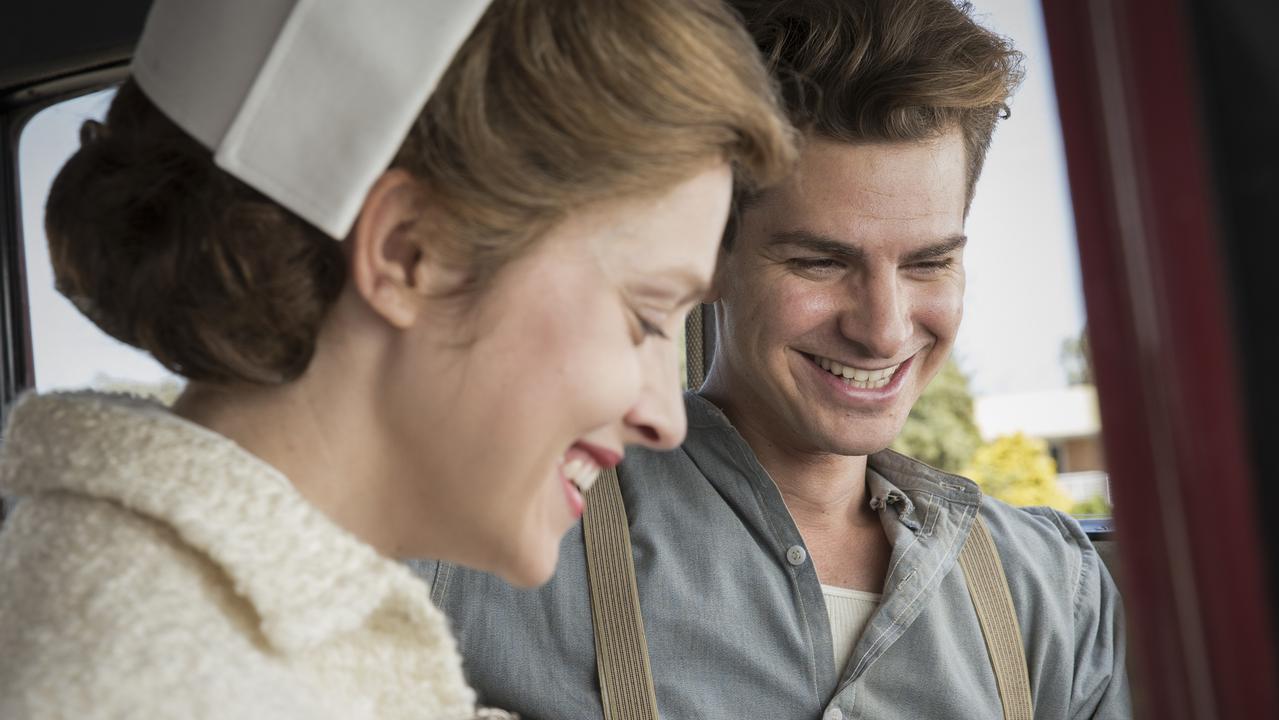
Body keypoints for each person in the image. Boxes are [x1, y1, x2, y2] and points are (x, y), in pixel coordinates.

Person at [0, 1, 796, 718]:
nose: (664, 418)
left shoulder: (192, 638)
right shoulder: (149, 689)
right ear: (410, 253)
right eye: (648, 316)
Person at [422, 0, 1131, 718]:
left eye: (928, 263)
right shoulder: (476, 540)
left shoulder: (1053, 593)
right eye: (819, 262)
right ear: (711, 257)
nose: (882, 331)